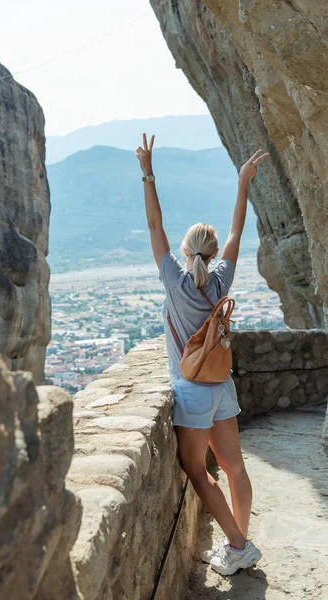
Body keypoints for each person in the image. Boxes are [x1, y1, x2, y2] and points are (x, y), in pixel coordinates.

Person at [136, 133, 270, 576]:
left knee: (196, 469)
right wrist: (243, 184)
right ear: (212, 255)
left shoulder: (175, 281)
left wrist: (148, 172)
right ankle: (239, 548)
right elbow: (236, 231)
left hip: (192, 391)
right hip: (221, 384)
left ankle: (237, 544)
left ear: (186, 251)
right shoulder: (220, 281)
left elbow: (155, 227)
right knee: (234, 466)